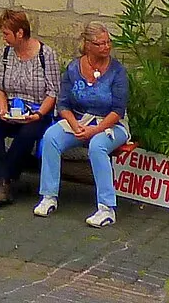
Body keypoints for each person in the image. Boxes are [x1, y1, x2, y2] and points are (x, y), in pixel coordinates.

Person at [34, 23, 131, 226]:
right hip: (79, 120)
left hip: (111, 124)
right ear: (87, 45)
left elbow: (118, 110)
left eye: (108, 42)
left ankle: (106, 208)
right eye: (100, 43)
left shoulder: (118, 71)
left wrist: (95, 130)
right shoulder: (73, 68)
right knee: (51, 137)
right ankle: (48, 196)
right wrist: (74, 125)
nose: (106, 47)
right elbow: (63, 104)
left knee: (97, 145)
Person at [0, 8, 60, 206]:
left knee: (28, 132)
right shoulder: (5, 54)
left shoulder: (45, 54)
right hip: (12, 109)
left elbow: (53, 92)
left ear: (20, 33)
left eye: (6, 34)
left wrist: (39, 113)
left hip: (37, 112)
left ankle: (2, 181)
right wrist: (2, 109)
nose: (4, 38)